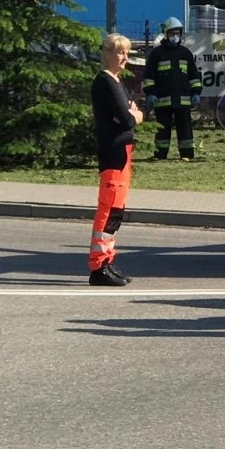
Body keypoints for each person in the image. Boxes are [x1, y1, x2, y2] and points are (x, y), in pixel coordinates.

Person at [89, 33, 143, 286]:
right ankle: (98, 267)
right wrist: (132, 115)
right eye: (120, 52)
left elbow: (128, 114)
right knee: (108, 209)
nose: (124, 58)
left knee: (116, 212)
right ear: (108, 54)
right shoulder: (105, 82)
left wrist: (130, 114)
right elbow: (128, 118)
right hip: (113, 153)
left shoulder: (117, 82)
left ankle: (108, 260)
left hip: (124, 152)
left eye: (127, 53)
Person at [144, 17, 201, 161]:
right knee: (162, 129)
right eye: (172, 33)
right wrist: (150, 94)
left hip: (183, 100)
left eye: (177, 33)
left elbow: (194, 76)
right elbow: (149, 76)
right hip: (162, 101)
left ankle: (187, 155)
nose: (175, 37)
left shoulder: (185, 53)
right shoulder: (157, 54)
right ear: (166, 34)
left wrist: (196, 93)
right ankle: (160, 155)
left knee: (185, 129)